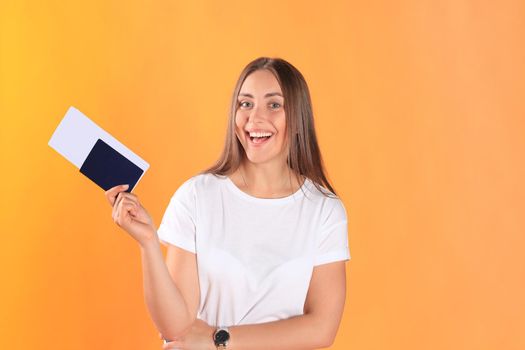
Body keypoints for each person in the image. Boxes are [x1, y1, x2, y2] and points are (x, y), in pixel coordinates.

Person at [105, 57, 351, 350]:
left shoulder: (324, 211)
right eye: (245, 104)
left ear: (298, 119)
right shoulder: (197, 196)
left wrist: (217, 340)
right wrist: (147, 242)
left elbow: (321, 329)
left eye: (273, 105)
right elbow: (175, 328)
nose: (254, 118)